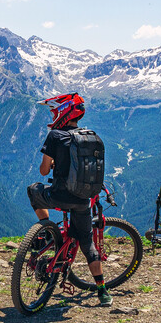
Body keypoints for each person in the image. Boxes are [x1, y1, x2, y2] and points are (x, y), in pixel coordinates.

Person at [26, 93, 112, 307]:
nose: (53, 114)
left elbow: (44, 170)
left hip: (59, 196)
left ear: (63, 111)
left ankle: (44, 233)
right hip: (83, 200)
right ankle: (102, 291)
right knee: (87, 243)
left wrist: (54, 163)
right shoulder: (90, 136)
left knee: (34, 190)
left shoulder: (55, 136)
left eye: (54, 110)